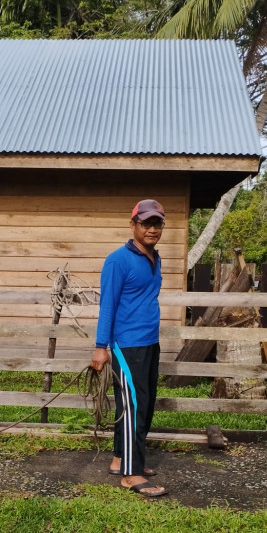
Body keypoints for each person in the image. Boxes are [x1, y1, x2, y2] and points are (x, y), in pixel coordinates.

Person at [90, 199, 168, 498]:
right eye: (146, 223)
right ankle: (131, 474)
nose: (152, 229)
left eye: (157, 223)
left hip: (150, 342)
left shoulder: (154, 257)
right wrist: (101, 347)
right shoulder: (118, 260)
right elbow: (107, 306)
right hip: (127, 345)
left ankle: (120, 459)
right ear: (133, 224)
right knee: (134, 406)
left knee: (142, 405)